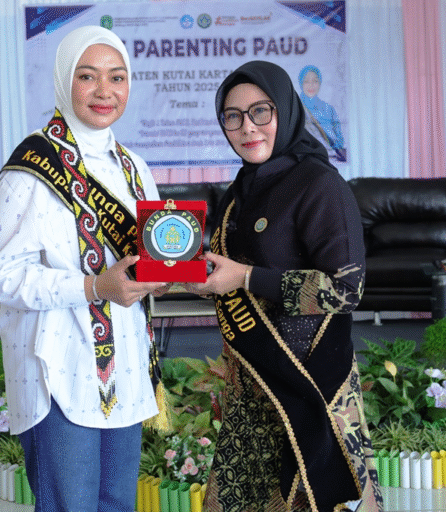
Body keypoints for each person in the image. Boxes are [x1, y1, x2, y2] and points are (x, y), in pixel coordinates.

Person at [0, 26, 167, 511]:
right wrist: (94, 286)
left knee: (117, 504)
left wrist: (161, 278)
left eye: (117, 77)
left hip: (124, 368)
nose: (105, 91)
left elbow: (143, 260)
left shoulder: (135, 168)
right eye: (88, 76)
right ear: (65, 81)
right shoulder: (30, 168)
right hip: (57, 369)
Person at [189, 61, 382, 512]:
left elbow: (346, 290)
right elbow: (235, 272)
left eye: (261, 111)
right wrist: (202, 279)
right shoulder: (240, 191)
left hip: (310, 383)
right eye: (232, 116)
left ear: (287, 110)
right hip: (253, 388)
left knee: (311, 497)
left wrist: (246, 277)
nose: (247, 127)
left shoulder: (320, 185)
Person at [298, 64, 347, 162]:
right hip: (305, 160)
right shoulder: (297, 108)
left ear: (320, 83)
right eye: (306, 81)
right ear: (301, 83)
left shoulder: (329, 109)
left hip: (330, 160)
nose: (311, 85)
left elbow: (339, 137)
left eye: (315, 81)